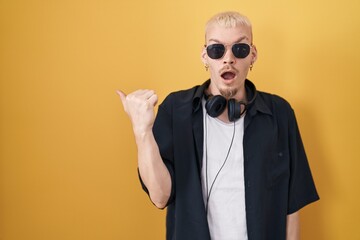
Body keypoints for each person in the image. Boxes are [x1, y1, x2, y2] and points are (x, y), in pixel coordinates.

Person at [117, 11, 319, 240]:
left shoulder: (279, 113)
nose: (228, 58)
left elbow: (291, 207)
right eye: (217, 50)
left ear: (253, 55)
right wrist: (142, 132)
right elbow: (160, 197)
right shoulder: (176, 109)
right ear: (205, 56)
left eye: (240, 49)